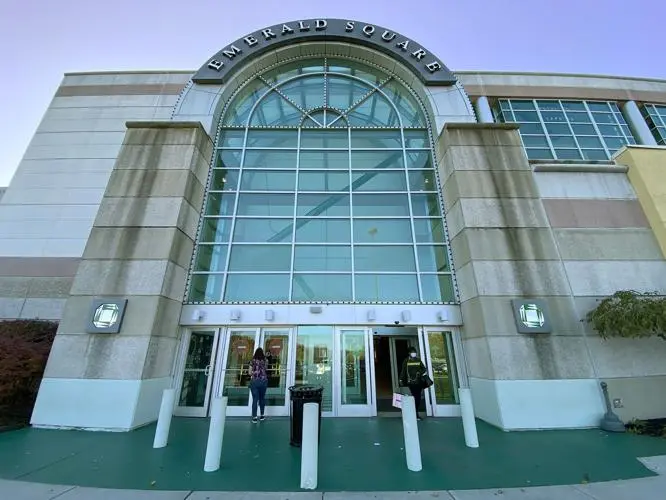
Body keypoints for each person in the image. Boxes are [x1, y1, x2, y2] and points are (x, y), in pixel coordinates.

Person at [399, 346, 427, 421]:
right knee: (412, 398)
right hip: (410, 382)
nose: (414, 353)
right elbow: (403, 371)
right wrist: (401, 380)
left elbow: (424, 369)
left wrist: (419, 373)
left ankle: (416, 414)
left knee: (417, 398)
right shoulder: (406, 361)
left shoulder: (418, 360)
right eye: (412, 352)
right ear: (409, 353)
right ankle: (413, 414)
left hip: (418, 382)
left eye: (415, 352)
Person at [248, 347, 268, 423]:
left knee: (255, 399)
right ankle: (262, 416)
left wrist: (254, 372)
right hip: (263, 381)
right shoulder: (265, 360)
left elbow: (249, 372)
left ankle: (254, 417)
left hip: (254, 382)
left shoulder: (252, 361)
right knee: (262, 398)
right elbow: (265, 369)